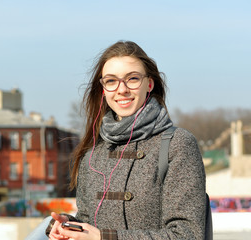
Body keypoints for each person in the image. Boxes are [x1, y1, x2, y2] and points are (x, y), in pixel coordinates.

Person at [48, 41, 206, 240]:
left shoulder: (177, 144)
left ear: (149, 83)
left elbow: (187, 234)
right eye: (111, 81)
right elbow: (89, 222)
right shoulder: (93, 154)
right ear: (104, 89)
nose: (121, 89)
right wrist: (68, 225)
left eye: (132, 79)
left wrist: (105, 238)